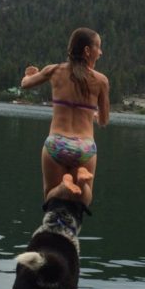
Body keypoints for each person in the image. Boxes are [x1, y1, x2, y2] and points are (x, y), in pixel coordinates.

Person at [21, 27, 110, 206]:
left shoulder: (54, 71)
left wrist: (28, 75)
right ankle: (82, 183)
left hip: (57, 143)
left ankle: (63, 187)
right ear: (87, 51)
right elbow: (104, 120)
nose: (100, 53)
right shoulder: (101, 80)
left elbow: (25, 85)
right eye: (98, 47)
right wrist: (91, 114)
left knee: (49, 197)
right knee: (85, 201)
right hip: (84, 146)